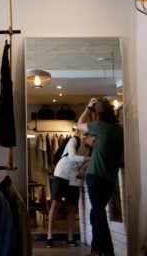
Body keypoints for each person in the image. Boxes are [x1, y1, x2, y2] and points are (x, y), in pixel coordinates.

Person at [77, 97, 124, 256]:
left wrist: (87, 108)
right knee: (95, 213)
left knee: (99, 214)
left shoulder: (98, 126)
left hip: (95, 176)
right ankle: (96, 250)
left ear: (98, 115)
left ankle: (108, 251)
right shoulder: (120, 129)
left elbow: (79, 125)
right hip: (110, 179)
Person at [46, 134, 92, 248]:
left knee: (72, 207)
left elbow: (85, 164)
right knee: (55, 204)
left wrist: (84, 168)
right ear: (87, 136)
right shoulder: (74, 140)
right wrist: (89, 158)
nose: (94, 142)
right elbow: (72, 156)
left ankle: (70, 238)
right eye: (94, 139)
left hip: (75, 176)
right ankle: (49, 236)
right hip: (61, 173)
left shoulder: (90, 149)